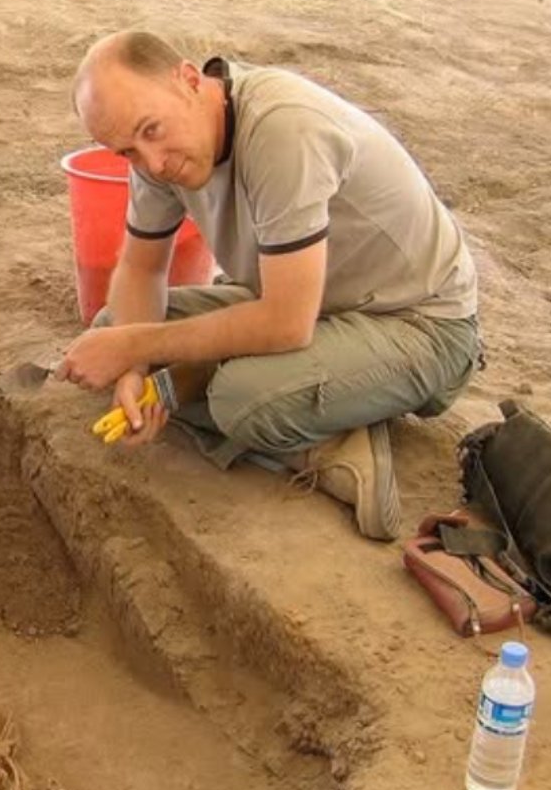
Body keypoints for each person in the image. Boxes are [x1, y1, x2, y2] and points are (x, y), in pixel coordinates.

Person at [56, 31, 480, 540]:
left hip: (419, 324)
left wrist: (136, 346)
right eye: (128, 151)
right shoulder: (155, 149)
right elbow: (141, 269)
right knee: (113, 326)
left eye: (152, 131)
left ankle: (335, 445)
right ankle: (287, 397)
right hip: (307, 299)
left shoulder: (282, 129)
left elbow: (285, 323)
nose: (154, 163)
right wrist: (134, 369)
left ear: (189, 80)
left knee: (240, 400)